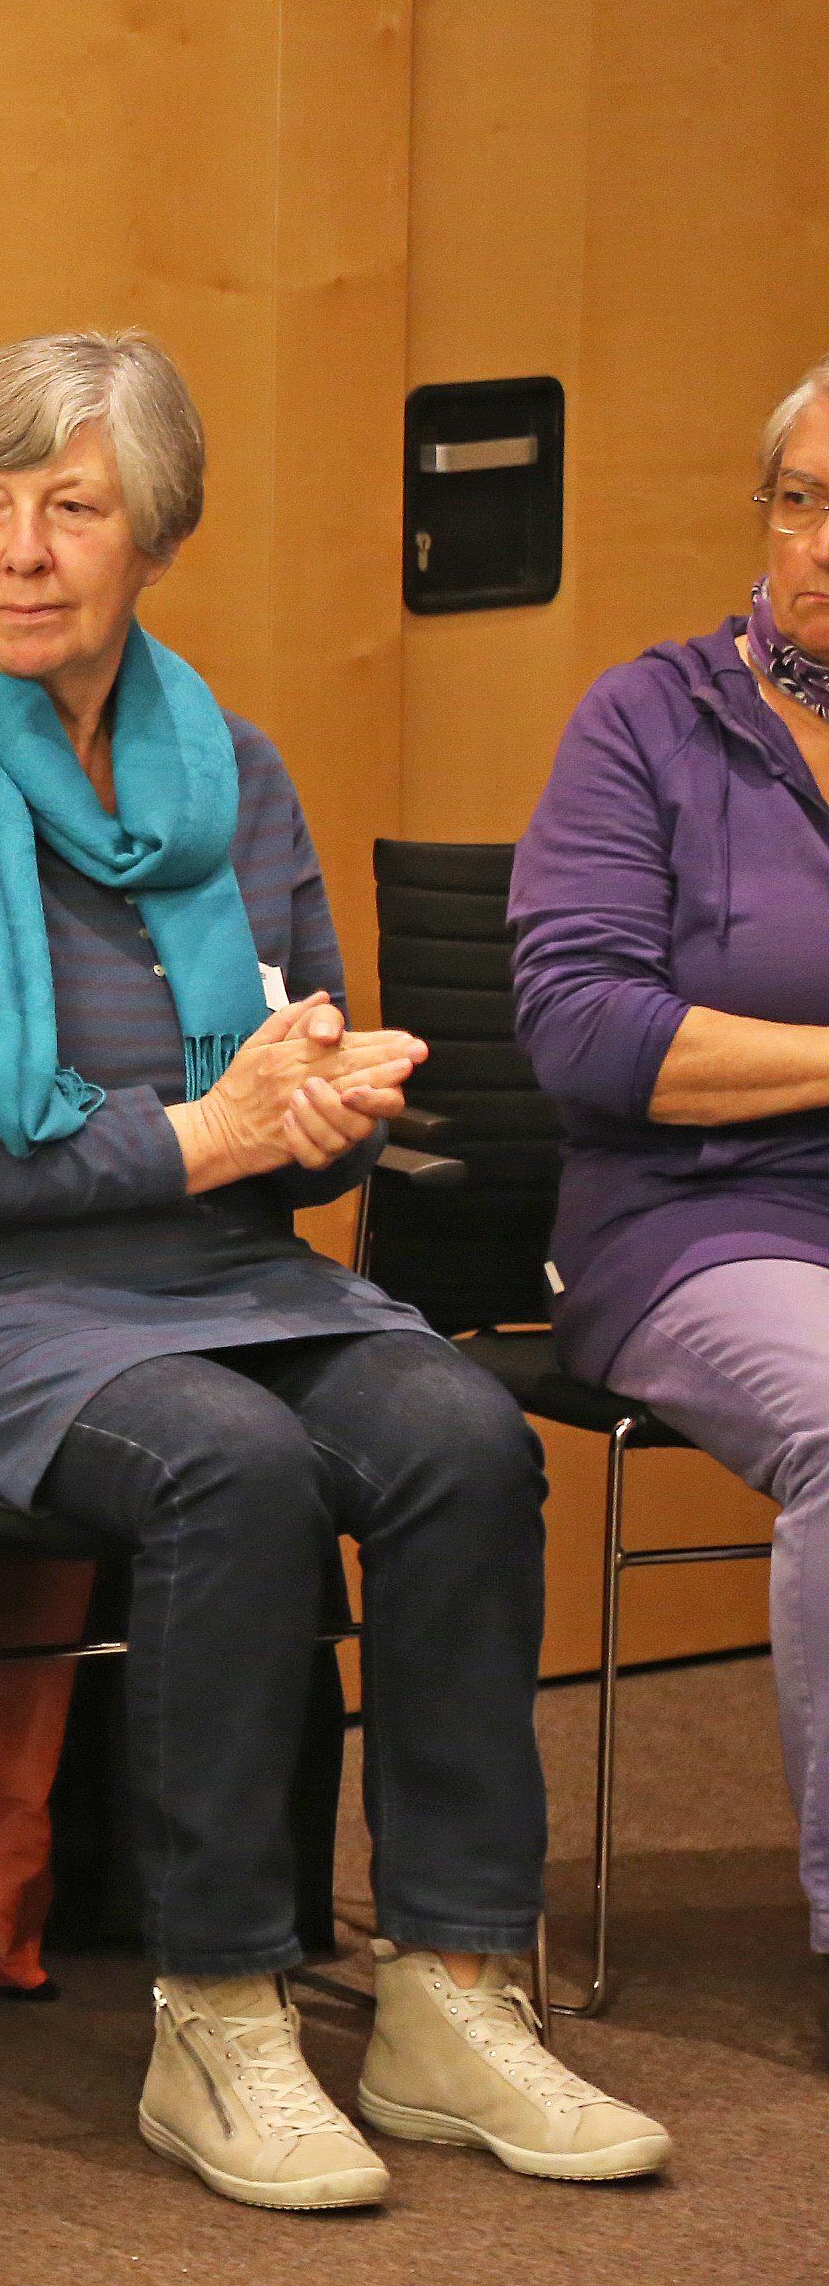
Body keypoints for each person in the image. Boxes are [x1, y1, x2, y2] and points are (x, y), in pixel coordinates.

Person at [0, 330, 669, 2214]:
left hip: (207, 1281)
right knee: (227, 1466)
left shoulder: (224, 768)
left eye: (70, 508)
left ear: (154, 540)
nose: (17, 550)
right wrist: (198, 1137)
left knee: (459, 1435)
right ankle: (222, 2009)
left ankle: (448, 1985)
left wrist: (325, 1104)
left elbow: (285, 1080)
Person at [512, 352, 829, 1962]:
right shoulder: (650, 721)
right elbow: (581, 1029)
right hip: (700, 1222)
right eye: (801, 501)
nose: (822, 546)